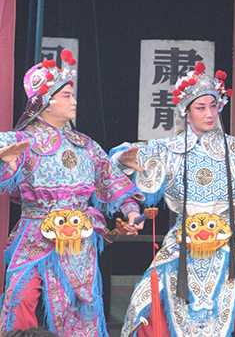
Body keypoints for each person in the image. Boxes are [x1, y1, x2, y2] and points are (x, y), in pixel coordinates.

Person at [114, 62, 235, 337]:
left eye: (213, 105)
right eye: (201, 107)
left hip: (228, 243)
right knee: (144, 306)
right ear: (185, 111)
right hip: (182, 244)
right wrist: (121, 159)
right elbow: (120, 162)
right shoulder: (168, 150)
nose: (209, 113)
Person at [0, 51, 144, 336]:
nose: (74, 101)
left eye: (72, 95)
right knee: (21, 297)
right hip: (34, 233)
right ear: (44, 101)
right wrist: (5, 160)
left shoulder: (86, 145)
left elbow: (110, 179)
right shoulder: (19, 140)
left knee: (76, 308)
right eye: (66, 95)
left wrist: (132, 211)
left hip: (78, 239)